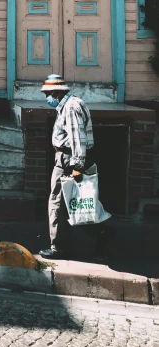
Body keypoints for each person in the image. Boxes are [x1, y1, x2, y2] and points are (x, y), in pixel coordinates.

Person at [38, 74, 115, 260]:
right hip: (67, 158)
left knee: (57, 202)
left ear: (56, 92)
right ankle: (101, 232)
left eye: (47, 94)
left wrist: (77, 165)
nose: (46, 98)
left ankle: (58, 247)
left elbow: (77, 138)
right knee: (74, 202)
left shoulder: (71, 107)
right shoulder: (68, 105)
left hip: (68, 159)